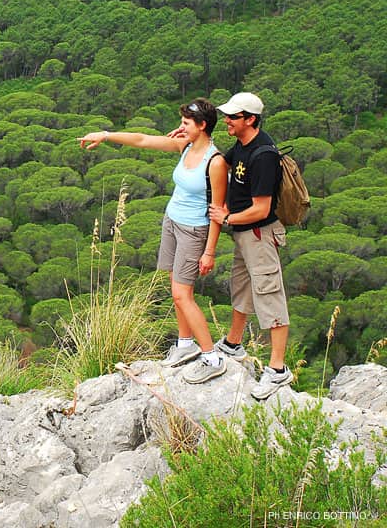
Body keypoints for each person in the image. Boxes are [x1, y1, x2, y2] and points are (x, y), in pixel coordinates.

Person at [78, 98, 228, 384]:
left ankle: (211, 357)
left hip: (194, 230)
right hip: (172, 221)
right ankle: (185, 345)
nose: (180, 127)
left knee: (182, 295)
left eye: (186, 123)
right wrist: (106, 135)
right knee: (174, 286)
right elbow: (143, 139)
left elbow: (217, 212)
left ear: (202, 126)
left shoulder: (216, 162)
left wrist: (209, 252)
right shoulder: (184, 145)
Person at [207, 92, 292, 400]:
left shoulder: (263, 154)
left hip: (259, 234)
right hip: (245, 235)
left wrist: (227, 217)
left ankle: (278, 370)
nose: (227, 121)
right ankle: (232, 343)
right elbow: (220, 161)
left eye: (233, 117)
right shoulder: (243, 145)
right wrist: (193, 138)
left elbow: (261, 208)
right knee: (241, 288)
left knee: (269, 295)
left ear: (250, 119)